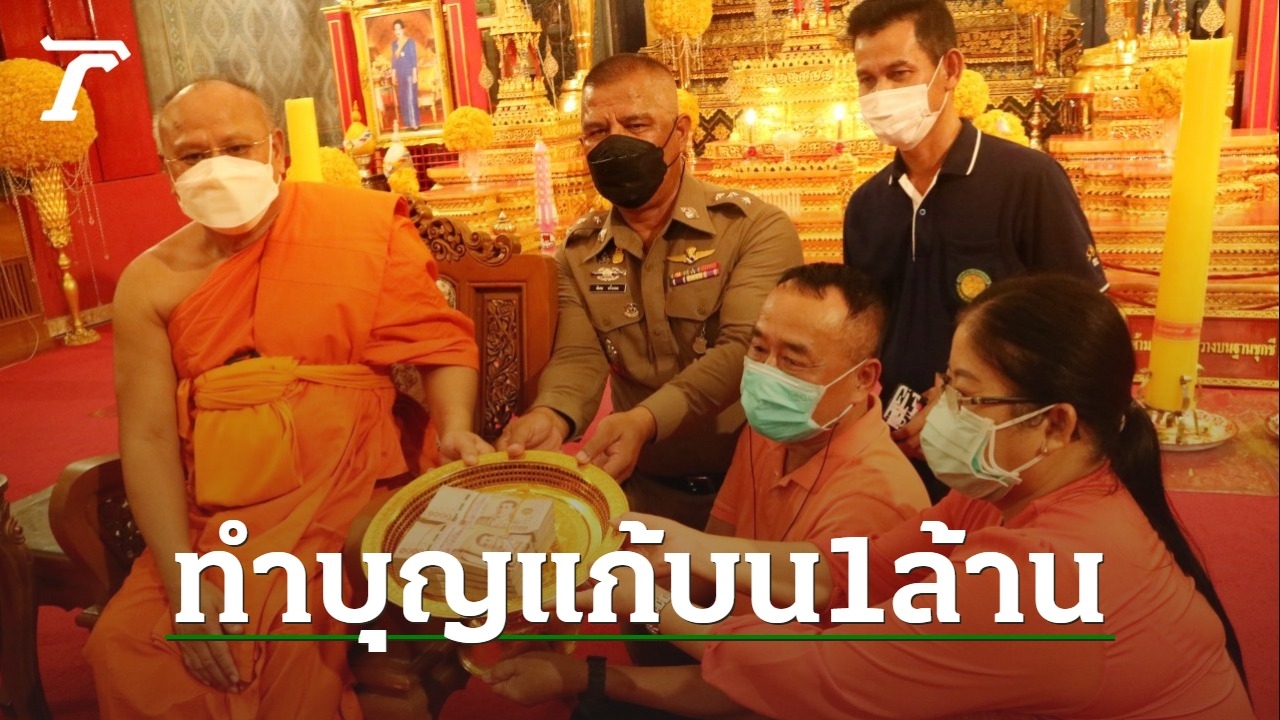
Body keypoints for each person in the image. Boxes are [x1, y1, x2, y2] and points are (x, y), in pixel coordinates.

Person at [486, 275, 1252, 719]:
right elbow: (846, 573)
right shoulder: (1001, 491)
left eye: (966, 394)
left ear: (1054, 425)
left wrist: (650, 601)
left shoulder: (1043, 573)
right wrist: (659, 541)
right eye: (945, 380)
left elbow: (816, 672)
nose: (934, 408)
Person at [84, 78, 490, 719]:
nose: (217, 166)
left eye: (236, 147)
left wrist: (456, 426)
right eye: (192, 155)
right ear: (168, 171)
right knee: (125, 646)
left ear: (276, 149)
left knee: (283, 627)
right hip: (222, 510)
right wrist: (184, 582)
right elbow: (148, 436)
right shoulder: (150, 281)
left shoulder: (357, 227)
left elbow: (438, 343)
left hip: (350, 488)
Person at [497, 53, 804, 530]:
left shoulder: (753, 228)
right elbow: (580, 354)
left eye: (636, 125)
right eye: (597, 130)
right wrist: (552, 415)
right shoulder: (580, 250)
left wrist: (645, 420)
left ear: (679, 133)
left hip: (751, 490)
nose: (614, 141)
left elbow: (743, 350)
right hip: (640, 490)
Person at [841, 0, 1109, 501]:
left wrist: (958, 405)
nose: (881, 95)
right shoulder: (867, 205)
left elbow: (1082, 327)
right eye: (867, 79)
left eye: (900, 73)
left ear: (950, 70)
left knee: (976, 553)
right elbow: (867, 329)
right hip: (893, 450)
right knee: (907, 552)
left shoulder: (1027, 180)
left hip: (999, 455)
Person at [390, 19, 419, 130]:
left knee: (411, 98)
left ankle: (414, 123)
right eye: (395, 29)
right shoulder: (394, 45)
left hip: (409, 74)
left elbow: (413, 60)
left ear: (403, 30)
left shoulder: (410, 42)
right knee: (403, 99)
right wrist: (393, 75)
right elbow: (394, 61)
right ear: (394, 31)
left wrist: (415, 75)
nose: (398, 31)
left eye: (399, 29)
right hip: (400, 74)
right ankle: (407, 123)